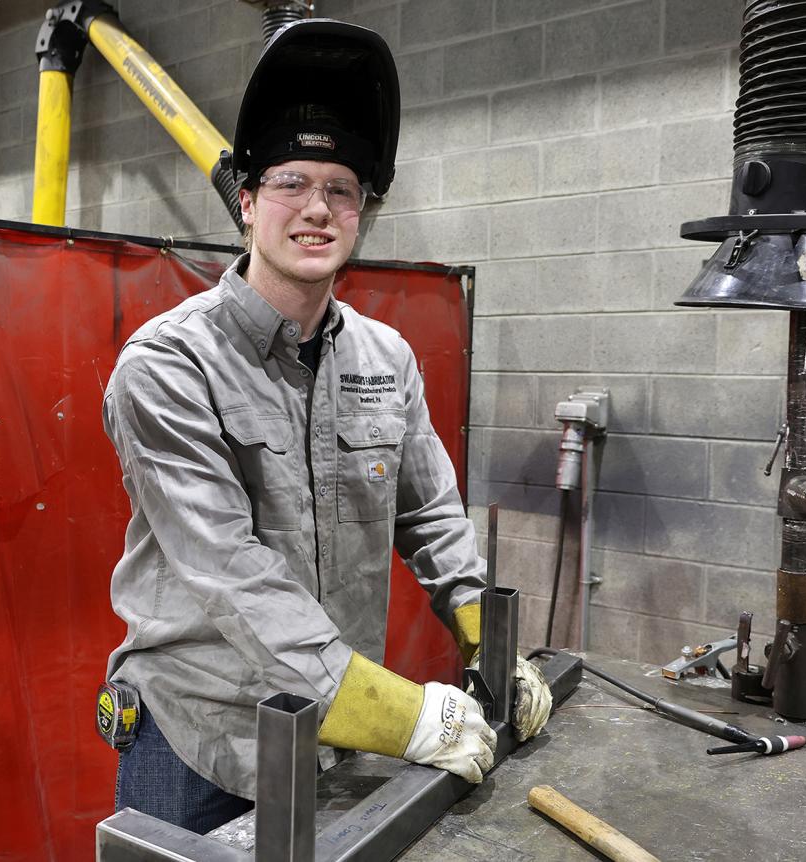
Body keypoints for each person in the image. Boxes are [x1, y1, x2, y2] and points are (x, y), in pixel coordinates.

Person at [101, 19, 552, 835]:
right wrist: (409, 717)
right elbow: (233, 576)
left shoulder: (386, 358)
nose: (317, 208)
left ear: (362, 213)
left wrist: (492, 643)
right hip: (200, 738)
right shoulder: (168, 365)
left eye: (341, 189)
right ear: (246, 202)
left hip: (330, 735)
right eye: (290, 182)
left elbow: (431, 517)